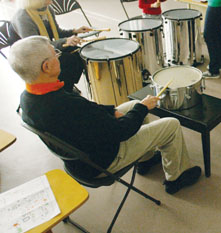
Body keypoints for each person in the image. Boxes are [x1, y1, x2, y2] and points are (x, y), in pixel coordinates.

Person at [9, 36, 201, 194]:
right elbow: (121, 131)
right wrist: (143, 108)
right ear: (47, 67)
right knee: (171, 124)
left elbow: (90, 112)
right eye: (55, 54)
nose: (59, 57)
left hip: (81, 159)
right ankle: (177, 177)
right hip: (102, 162)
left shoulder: (28, 99)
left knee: (134, 104)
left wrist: (112, 111)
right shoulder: (66, 106)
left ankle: (146, 159)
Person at [11, 0, 90, 92]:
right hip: (32, 57)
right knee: (69, 60)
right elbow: (36, 47)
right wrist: (64, 41)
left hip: (46, 47)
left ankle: (66, 85)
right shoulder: (23, 18)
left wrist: (75, 31)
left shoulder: (47, 9)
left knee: (80, 53)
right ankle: (62, 90)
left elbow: (57, 32)